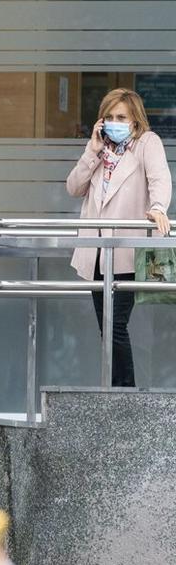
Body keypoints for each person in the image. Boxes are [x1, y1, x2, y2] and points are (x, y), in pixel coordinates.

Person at [66, 87, 172, 387]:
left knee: (115, 327)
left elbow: (160, 179)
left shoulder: (146, 144)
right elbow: (73, 187)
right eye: (109, 116)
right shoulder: (100, 150)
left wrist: (157, 207)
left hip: (126, 251)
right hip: (96, 253)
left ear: (135, 121)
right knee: (107, 329)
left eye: (121, 117)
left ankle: (122, 393)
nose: (115, 122)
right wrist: (92, 150)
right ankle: (117, 391)